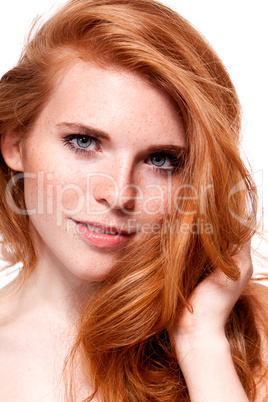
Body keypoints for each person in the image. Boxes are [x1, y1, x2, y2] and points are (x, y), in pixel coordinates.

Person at [0, 0, 267, 400]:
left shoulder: (253, 332)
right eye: (84, 142)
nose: (119, 193)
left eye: (161, 160)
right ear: (16, 144)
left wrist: (202, 342)